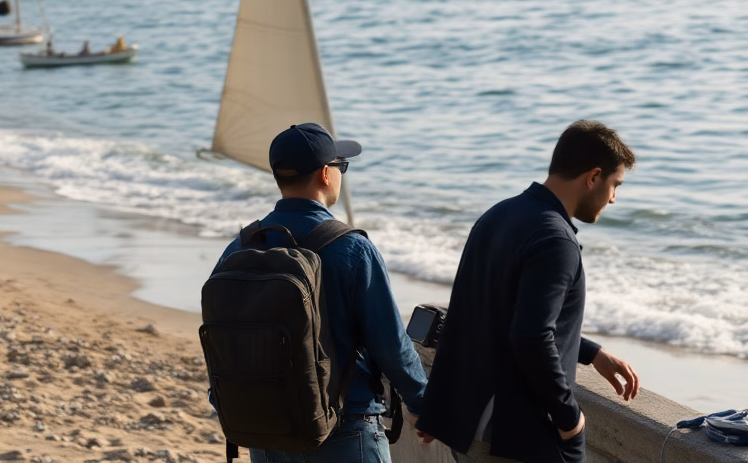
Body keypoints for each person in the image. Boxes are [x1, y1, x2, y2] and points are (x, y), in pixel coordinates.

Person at [415, 121, 641, 463]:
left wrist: (591, 353)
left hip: (471, 424)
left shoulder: (498, 214)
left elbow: (478, 311)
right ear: (593, 176)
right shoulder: (556, 240)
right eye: (615, 185)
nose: (613, 198)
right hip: (515, 433)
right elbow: (531, 336)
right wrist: (570, 420)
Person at [214, 122, 427, 463]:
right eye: (341, 166)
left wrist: (224, 400)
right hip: (344, 429)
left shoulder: (241, 246)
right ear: (326, 175)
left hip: (265, 428)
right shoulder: (353, 248)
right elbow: (392, 347)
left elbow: (222, 335)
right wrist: (422, 406)